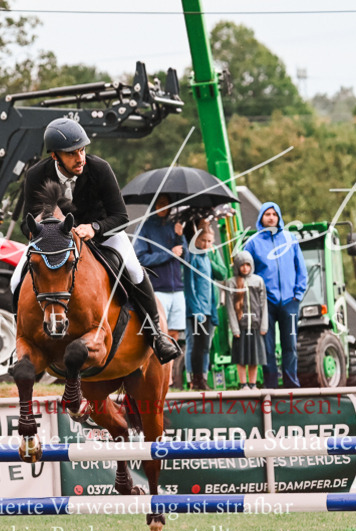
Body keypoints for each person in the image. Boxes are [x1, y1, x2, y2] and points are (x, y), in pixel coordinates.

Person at [12, 118, 181, 363]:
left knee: (133, 269)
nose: (80, 158)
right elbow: (25, 224)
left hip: (103, 234)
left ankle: (156, 334)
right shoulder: (37, 174)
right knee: (16, 278)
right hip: (54, 242)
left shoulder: (99, 168)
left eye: (82, 150)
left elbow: (121, 217)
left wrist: (95, 227)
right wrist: (44, 225)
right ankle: (18, 339)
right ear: (55, 156)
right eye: (71, 153)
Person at [243, 202, 307, 388]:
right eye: (267, 214)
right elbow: (244, 271)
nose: (271, 217)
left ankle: (291, 385)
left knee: (290, 346)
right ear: (261, 217)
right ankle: (270, 386)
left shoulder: (290, 239)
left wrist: (298, 294)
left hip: (290, 301)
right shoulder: (253, 243)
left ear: (278, 217)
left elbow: (301, 268)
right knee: (267, 347)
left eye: (274, 214)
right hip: (265, 304)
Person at [134, 194, 186, 382]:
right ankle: (155, 374)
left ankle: (169, 375)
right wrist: (168, 253)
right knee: (158, 333)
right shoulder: (145, 227)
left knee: (174, 333)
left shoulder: (175, 226)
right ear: (155, 205)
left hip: (178, 289)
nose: (164, 207)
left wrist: (181, 237)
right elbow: (141, 258)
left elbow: (185, 257)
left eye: (167, 204)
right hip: (156, 289)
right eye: (160, 203)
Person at [224, 251, 268, 390]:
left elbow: (263, 304)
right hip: (241, 328)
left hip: (255, 326)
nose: (245, 268)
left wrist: (264, 325)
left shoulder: (258, 281)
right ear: (237, 266)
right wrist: (235, 328)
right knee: (241, 358)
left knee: (254, 358)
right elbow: (230, 308)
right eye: (242, 265)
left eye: (248, 265)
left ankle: (253, 384)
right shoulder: (231, 283)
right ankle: (243, 384)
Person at [183, 219, 218, 391]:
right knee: (196, 345)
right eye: (203, 240)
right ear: (196, 240)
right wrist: (197, 309)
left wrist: (213, 311)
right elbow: (190, 286)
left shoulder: (207, 260)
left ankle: (203, 378)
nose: (206, 244)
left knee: (205, 346)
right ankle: (195, 380)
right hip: (196, 310)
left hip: (208, 310)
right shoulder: (193, 258)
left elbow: (211, 286)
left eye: (210, 241)